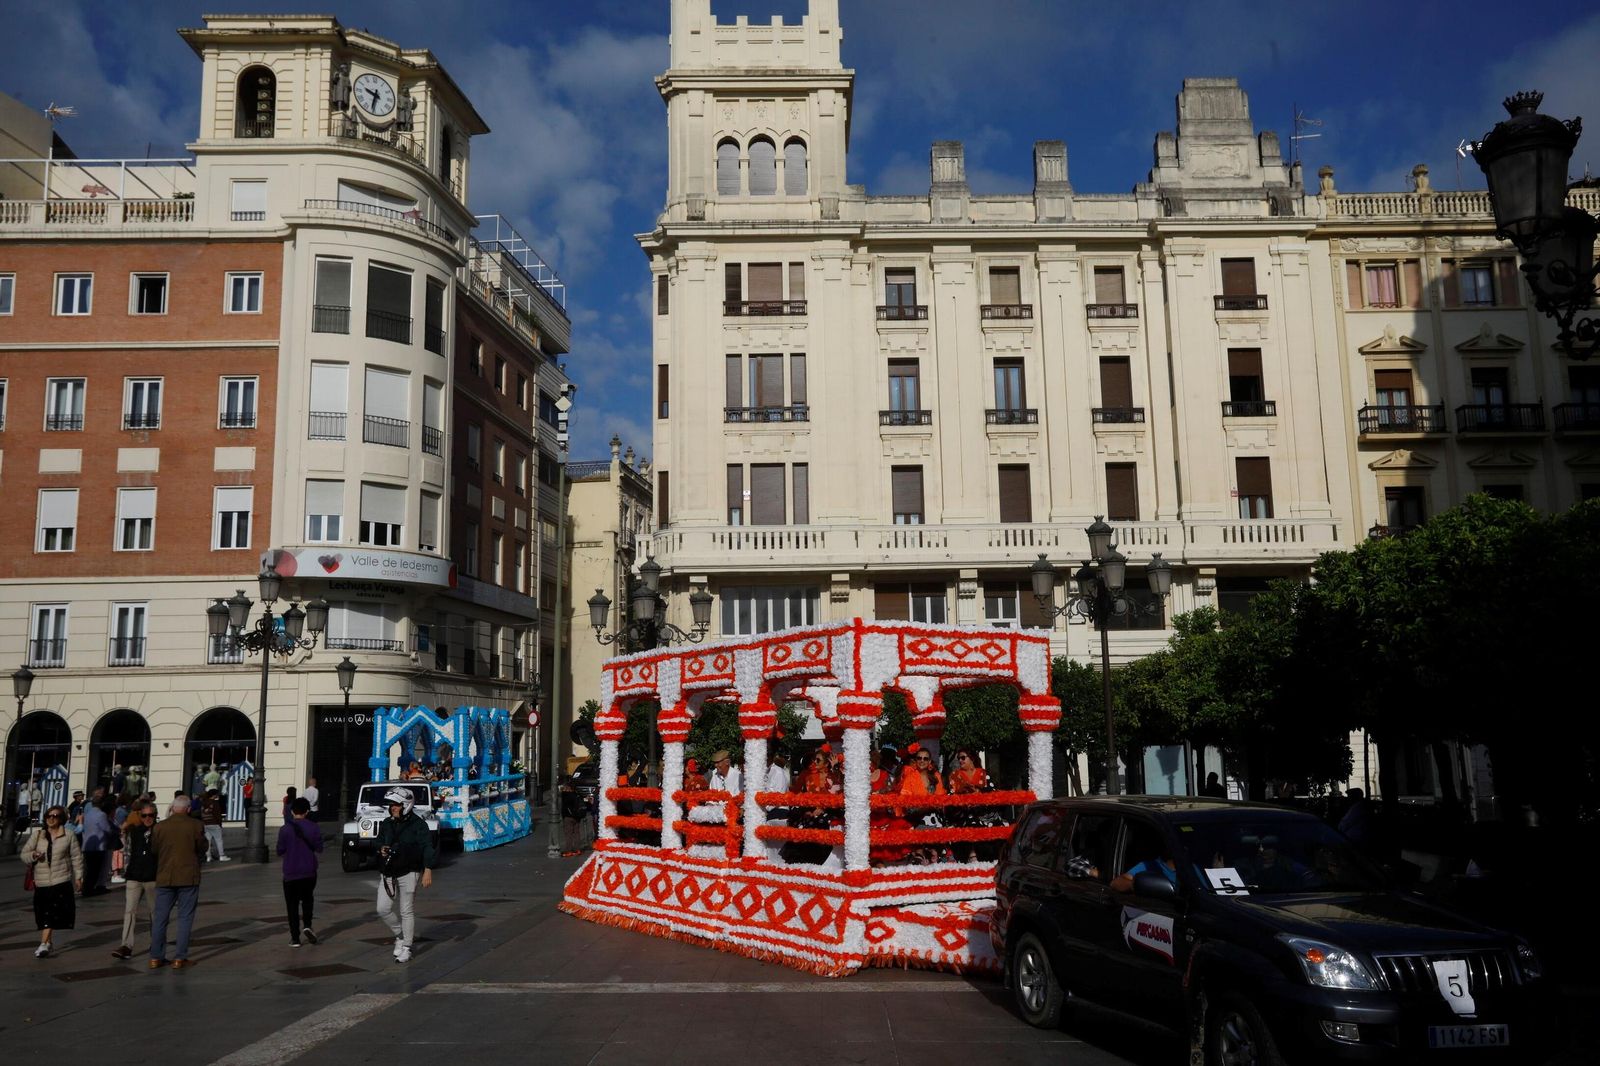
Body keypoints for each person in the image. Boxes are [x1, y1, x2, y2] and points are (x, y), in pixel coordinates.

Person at [374, 786, 436, 963]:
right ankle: (400, 935)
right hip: (388, 872)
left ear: (406, 805)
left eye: (396, 804)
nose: (393, 808)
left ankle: (407, 947)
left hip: (410, 871)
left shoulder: (418, 825)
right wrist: (381, 848)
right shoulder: (387, 823)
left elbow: (427, 847)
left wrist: (428, 870)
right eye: (391, 805)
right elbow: (378, 841)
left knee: (406, 909)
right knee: (382, 908)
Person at [148, 795, 207, 970]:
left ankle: (155, 957)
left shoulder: (159, 827)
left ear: (173, 808)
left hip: (165, 876)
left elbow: (154, 849)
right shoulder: (196, 825)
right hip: (188, 876)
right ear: (188, 809)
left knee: (160, 918)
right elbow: (202, 847)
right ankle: (179, 958)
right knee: (185, 918)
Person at [19, 805, 83, 958]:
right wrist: (34, 855)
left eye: (55, 816)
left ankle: (43, 943)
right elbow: (24, 854)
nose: (51, 818)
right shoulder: (38, 835)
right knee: (43, 914)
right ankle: (47, 942)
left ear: (62, 819)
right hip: (42, 881)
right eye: (49, 816)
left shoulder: (68, 835)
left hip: (61, 880)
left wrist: (79, 877)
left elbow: (76, 857)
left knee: (52, 913)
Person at [112, 801, 159, 960]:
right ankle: (126, 945)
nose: (147, 818)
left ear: (155, 815)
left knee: (155, 912)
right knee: (130, 911)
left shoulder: (160, 831)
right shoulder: (135, 831)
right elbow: (124, 846)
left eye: (150, 815)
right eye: (144, 815)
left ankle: (157, 942)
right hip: (134, 876)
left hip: (153, 877)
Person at [277, 796, 323, 947]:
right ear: (307, 811)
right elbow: (319, 848)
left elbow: (280, 850)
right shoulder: (314, 827)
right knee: (307, 899)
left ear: (292, 811)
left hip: (291, 872)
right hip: (309, 870)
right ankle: (308, 925)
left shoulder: (284, 829)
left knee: (292, 905)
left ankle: (295, 938)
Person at [80, 794, 114, 896]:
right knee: (95, 869)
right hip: (98, 845)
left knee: (89, 869)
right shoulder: (101, 815)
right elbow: (106, 829)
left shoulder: (88, 814)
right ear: (101, 804)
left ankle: (86, 888)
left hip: (87, 844)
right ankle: (89, 889)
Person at [201, 789, 229, 862]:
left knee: (208, 841)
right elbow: (217, 814)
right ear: (214, 795)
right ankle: (222, 855)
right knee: (219, 840)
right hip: (214, 823)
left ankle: (208, 857)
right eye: (217, 794)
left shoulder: (204, 802)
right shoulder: (215, 803)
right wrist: (220, 824)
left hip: (205, 823)